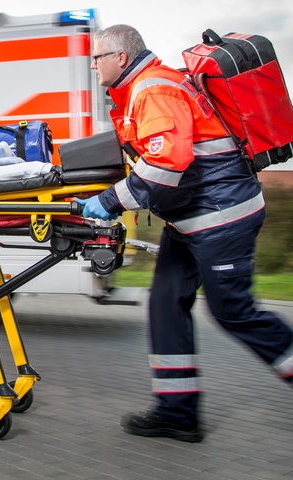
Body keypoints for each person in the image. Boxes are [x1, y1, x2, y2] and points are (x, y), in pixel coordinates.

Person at [76, 24, 293, 443]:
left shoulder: (153, 89)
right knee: (165, 305)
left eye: (97, 57)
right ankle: (178, 413)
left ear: (120, 57)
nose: (93, 65)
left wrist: (109, 201)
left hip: (220, 219)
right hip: (192, 221)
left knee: (234, 312)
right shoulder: (146, 87)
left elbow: (164, 167)